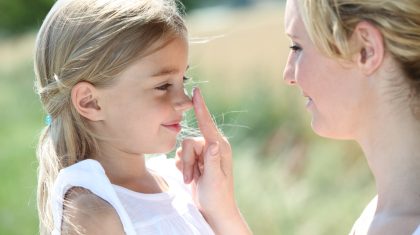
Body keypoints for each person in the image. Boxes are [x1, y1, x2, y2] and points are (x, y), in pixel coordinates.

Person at [176, 0, 420, 234]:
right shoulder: (377, 216)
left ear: (366, 50)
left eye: (297, 47)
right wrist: (222, 213)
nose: (288, 74)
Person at [33, 0, 227, 234]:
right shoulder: (94, 215)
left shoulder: (180, 183)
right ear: (90, 102)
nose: (186, 102)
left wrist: (222, 210)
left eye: (182, 80)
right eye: (164, 85)